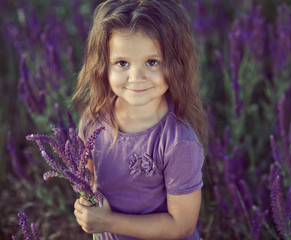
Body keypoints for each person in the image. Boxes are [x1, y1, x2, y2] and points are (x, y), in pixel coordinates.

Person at [72, 0, 208, 239]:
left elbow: (181, 226)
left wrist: (108, 221)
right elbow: (86, 181)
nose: (136, 77)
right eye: (122, 63)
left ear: (177, 65)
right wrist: (85, 205)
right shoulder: (93, 121)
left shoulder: (178, 142)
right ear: (103, 65)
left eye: (152, 62)